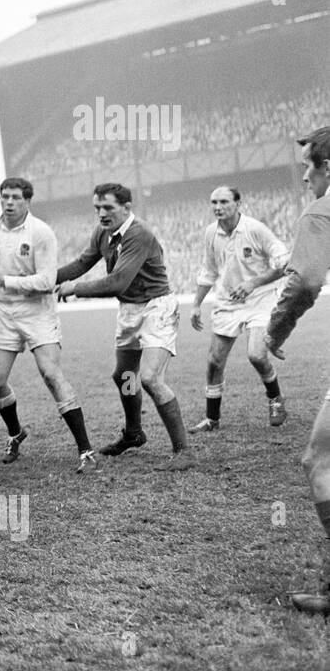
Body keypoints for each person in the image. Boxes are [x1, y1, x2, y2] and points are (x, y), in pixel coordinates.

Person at [56, 182, 196, 470]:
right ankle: (134, 434)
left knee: (150, 378)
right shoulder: (104, 232)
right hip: (130, 309)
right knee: (124, 376)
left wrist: (75, 289)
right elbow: (83, 262)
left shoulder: (138, 235)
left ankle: (183, 451)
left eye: (108, 207)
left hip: (156, 307)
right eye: (97, 208)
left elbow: (118, 281)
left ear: (127, 207)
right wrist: (47, 279)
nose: (102, 214)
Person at [0, 178, 99, 474]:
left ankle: (86, 450)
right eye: (4, 197)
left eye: (14, 197)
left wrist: (6, 281)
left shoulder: (40, 232)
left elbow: (47, 281)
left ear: (27, 200)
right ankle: (16, 434)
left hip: (37, 312)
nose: (8, 202)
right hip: (3, 311)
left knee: (51, 374)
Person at [265, 127, 330, 615]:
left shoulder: (321, 210)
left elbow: (305, 279)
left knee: (319, 462)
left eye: (311, 166)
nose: (305, 175)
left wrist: (275, 332)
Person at [188, 186, 289, 432]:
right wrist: (196, 305)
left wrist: (253, 282)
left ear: (238, 204)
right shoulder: (211, 233)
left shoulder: (255, 229)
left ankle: (275, 400)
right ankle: (212, 420)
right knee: (214, 362)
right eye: (214, 202)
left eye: (224, 202)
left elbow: (283, 262)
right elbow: (209, 271)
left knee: (256, 355)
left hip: (260, 300)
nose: (218, 207)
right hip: (227, 301)